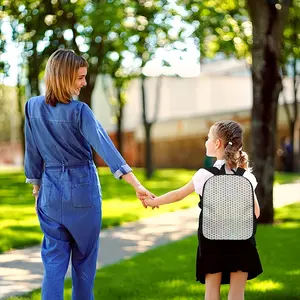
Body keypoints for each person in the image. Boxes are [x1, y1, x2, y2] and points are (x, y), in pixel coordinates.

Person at [24, 49, 154, 300]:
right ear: (63, 77)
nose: (84, 83)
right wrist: (136, 184)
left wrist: (37, 189)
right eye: (80, 77)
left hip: (49, 193)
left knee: (53, 264)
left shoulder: (32, 107)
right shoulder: (79, 111)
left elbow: (32, 153)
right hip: (82, 191)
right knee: (83, 264)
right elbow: (106, 148)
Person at [145, 120, 263, 300]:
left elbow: (178, 195)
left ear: (217, 144)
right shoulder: (247, 177)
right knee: (237, 294)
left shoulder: (205, 175)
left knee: (211, 294)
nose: (206, 142)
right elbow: (256, 212)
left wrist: (154, 202)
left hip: (212, 243)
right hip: (241, 241)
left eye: (208, 138)